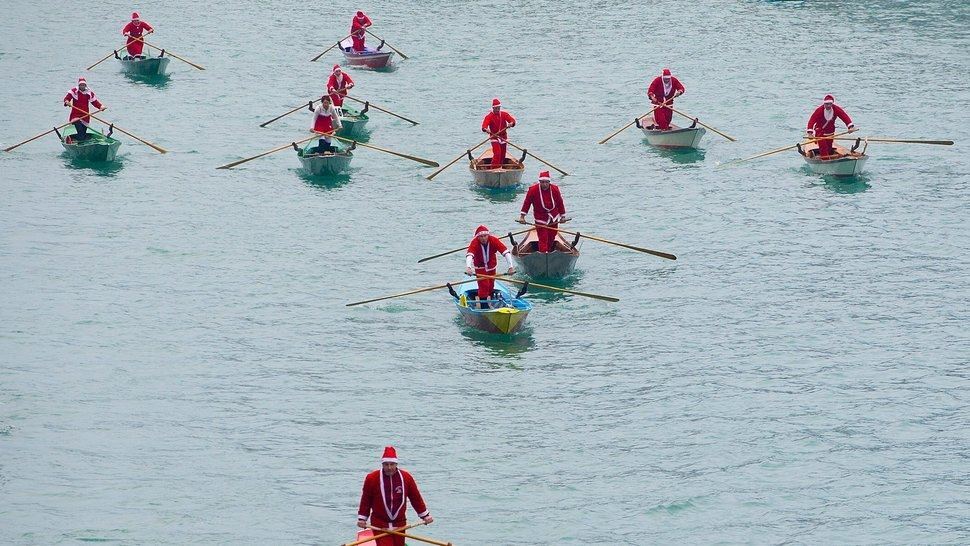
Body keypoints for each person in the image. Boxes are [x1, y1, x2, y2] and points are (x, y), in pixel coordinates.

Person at [357, 446, 432, 546]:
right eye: (386, 464)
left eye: (392, 464)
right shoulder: (372, 478)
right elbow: (366, 500)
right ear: (382, 464)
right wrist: (362, 519)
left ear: (396, 464)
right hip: (379, 524)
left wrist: (425, 516)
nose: (389, 467)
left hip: (399, 524)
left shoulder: (406, 477)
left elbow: (416, 498)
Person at [466, 225, 515, 309]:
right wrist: (469, 268)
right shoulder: (474, 242)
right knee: (484, 286)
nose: (483, 238)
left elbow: (506, 252)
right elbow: (470, 255)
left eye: (485, 236)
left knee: (491, 286)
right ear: (478, 237)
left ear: (488, 235)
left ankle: (491, 302)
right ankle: (484, 307)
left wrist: (510, 267)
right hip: (480, 268)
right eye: (481, 236)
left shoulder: (494, 240)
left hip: (492, 266)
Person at [518, 171, 568, 253]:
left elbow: (560, 202)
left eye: (546, 182)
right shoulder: (533, 190)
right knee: (543, 238)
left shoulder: (555, 189)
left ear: (549, 182)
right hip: (540, 218)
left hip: (553, 216)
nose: (544, 184)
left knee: (552, 236)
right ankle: (543, 254)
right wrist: (522, 217)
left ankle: (549, 251)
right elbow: (527, 203)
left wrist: (563, 216)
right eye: (542, 182)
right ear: (539, 182)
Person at [63, 77, 104, 141]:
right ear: (79, 85)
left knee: (83, 134)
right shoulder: (74, 91)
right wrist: (67, 102)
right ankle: (70, 137)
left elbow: (95, 102)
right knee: (81, 135)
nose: (82, 86)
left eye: (83, 85)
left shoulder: (89, 93)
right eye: (81, 85)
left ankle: (76, 139)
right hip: (75, 115)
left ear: (85, 85)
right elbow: (67, 98)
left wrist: (101, 107)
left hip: (85, 115)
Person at [481, 98, 516, 169]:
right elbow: (484, 125)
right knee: (497, 153)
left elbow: (512, 120)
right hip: (494, 137)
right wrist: (485, 129)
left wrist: (511, 123)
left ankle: (500, 167)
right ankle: (493, 168)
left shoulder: (504, 114)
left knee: (503, 154)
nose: (497, 109)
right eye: (496, 108)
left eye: (498, 108)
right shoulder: (489, 116)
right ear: (493, 108)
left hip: (503, 137)